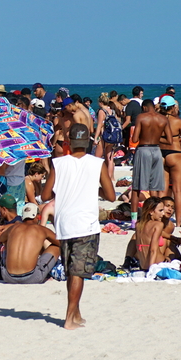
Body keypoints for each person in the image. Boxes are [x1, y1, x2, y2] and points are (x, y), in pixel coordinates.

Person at [41, 123, 115, 330]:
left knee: (70, 269)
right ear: (89, 141)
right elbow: (111, 196)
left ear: (69, 142)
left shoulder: (58, 163)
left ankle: (76, 312)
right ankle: (69, 318)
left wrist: (64, 191)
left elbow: (45, 195)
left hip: (64, 223)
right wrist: (94, 191)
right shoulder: (97, 163)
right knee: (78, 272)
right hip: (86, 224)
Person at [129, 99, 173, 225]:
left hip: (144, 149)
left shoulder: (141, 117)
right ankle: (155, 216)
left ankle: (133, 220)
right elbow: (169, 140)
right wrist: (157, 140)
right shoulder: (163, 119)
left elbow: (135, 138)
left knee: (137, 187)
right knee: (154, 187)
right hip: (157, 151)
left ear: (144, 107)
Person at [158, 96, 181, 225]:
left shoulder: (158, 120)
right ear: (173, 107)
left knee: (162, 189)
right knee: (177, 190)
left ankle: (160, 217)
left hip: (161, 153)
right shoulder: (177, 121)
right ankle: (179, 222)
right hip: (175, 153)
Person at [134, 197, 172, 270]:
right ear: (151, 212)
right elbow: (153, 250)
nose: (163, 214)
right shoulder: (158, 225)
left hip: (143, 266)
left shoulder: (138, 225)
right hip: (158, 264)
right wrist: (151, 269)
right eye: (160, 210)